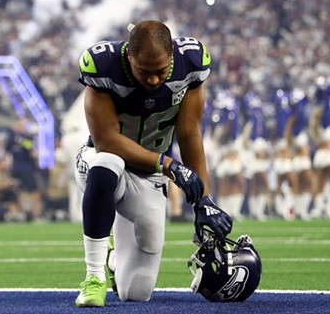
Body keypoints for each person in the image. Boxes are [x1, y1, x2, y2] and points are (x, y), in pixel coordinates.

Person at [74, 20, 232, 307]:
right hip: (102, 162)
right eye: (143, 72)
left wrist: (203, 200)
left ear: (171, 55)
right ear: (129, 57)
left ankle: (114, 258)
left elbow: (189, 133)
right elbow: (106, 141)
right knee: (107, 164)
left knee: (137, 292)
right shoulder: (104, 65)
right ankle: (94, 276)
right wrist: (168, 164)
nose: (154, 81)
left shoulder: (190, 64)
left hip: (149, 176)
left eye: (160, 72)